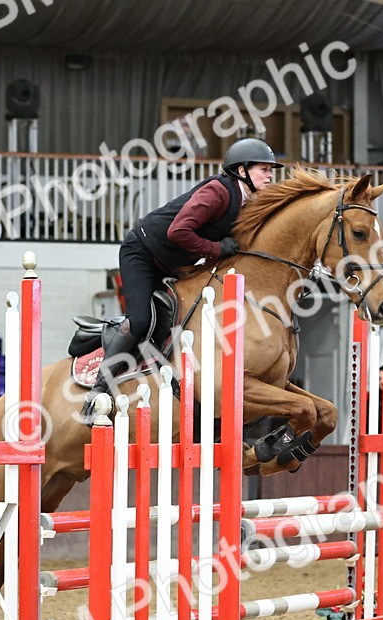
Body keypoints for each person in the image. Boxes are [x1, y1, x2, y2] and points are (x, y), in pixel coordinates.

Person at [82, 138, 284, 418]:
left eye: (270, 170)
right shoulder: (218, 192)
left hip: (172, 263)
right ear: (241, 171)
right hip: (142, 252)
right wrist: (216, 249)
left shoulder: (246, 202)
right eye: (264, 169)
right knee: (140, 319)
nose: (270, 175)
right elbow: (178, 231)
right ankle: (98, 389)